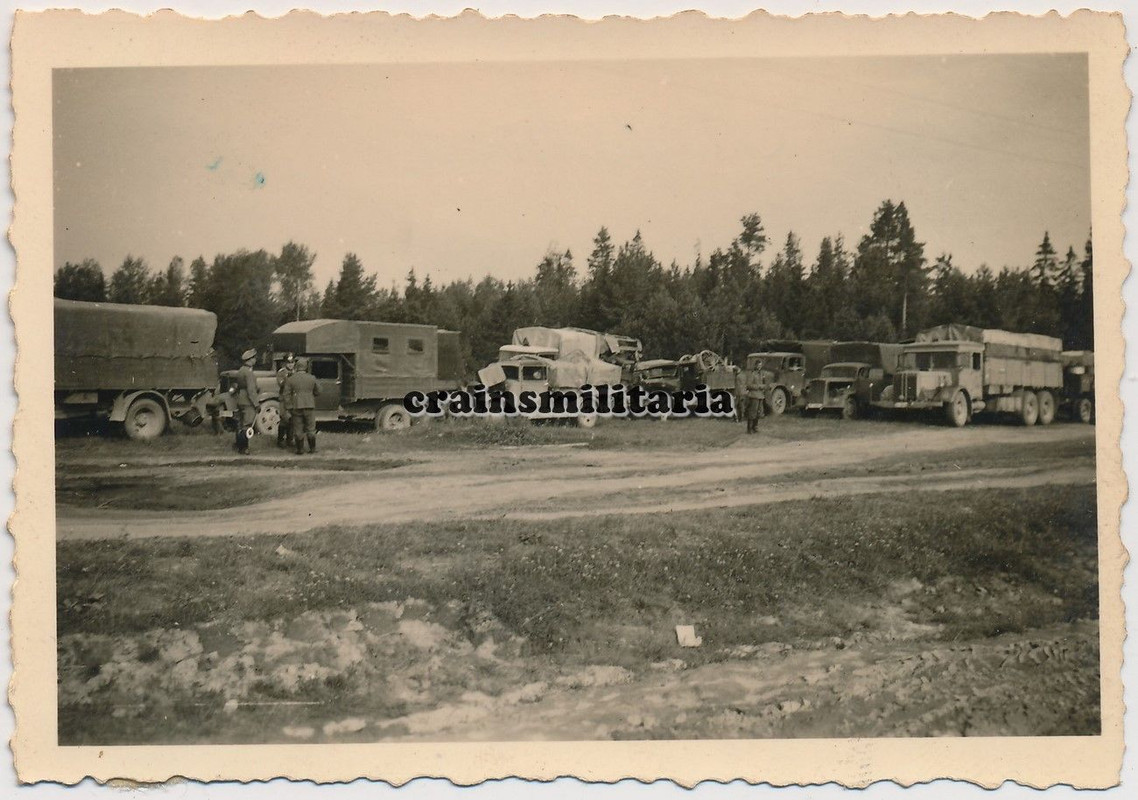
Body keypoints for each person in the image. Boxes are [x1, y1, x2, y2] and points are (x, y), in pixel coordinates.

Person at [284, 357, 321, 455]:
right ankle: (312, 449)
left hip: (296, 406)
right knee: (311, 428)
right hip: (309, 405)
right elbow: (319, 391)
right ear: (306, 367)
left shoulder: (291, 379)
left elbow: (286, 394)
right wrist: (311, 395)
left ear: (297, 367)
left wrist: (289, 407)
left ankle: (300, 449)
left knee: (298, 428)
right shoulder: (312, 378)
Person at [234, 348, 260, 455]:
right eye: (254, 358)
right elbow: (251, 390)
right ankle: (244, 448)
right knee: (247, 424)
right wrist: (256, 403)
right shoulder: (249, 372)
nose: (255, 360)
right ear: (250, 359)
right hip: (248, 401)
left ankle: (239, 446)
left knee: (240, 425)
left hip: (240, 399)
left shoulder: (241, 370)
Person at [275, 353, 296, 449]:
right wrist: (288, 377)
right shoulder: (281, 372)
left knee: (292, 420)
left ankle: (289, 439)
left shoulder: (296, 372)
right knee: (284, 419)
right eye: (288, 362)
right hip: (284, 399)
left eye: (292, 362)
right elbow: (281, 384)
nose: (290, 364)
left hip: (293, 399)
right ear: (285, 363)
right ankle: (280, 440)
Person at [744, 363, 767, 434]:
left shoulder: (762, 373)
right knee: (752, 412)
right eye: (758, 365)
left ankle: (755, 427)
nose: (759, 366)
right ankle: (749, 428)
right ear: (755, 366)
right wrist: (759, 386)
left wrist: (764, 386)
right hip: (754, 395)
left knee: (758, 412)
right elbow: (748, 385)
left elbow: (764, 383)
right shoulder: (752, 374)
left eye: (760, 365)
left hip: (760, 395)